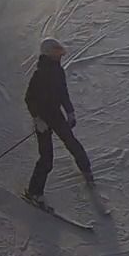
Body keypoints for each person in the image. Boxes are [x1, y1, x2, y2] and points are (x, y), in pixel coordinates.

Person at [25, 38, 95, 206]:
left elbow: (63, 93)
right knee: (47, 157)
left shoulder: (58, 71)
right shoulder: (39, 75)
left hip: (55, 115)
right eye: (57, 52)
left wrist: (70, 111)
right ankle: (34, 192)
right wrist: (37, 119)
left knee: (72, 143)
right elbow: (29, 99)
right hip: (42, 119)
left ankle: (86, 171)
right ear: (49, 54)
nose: (60, 55)